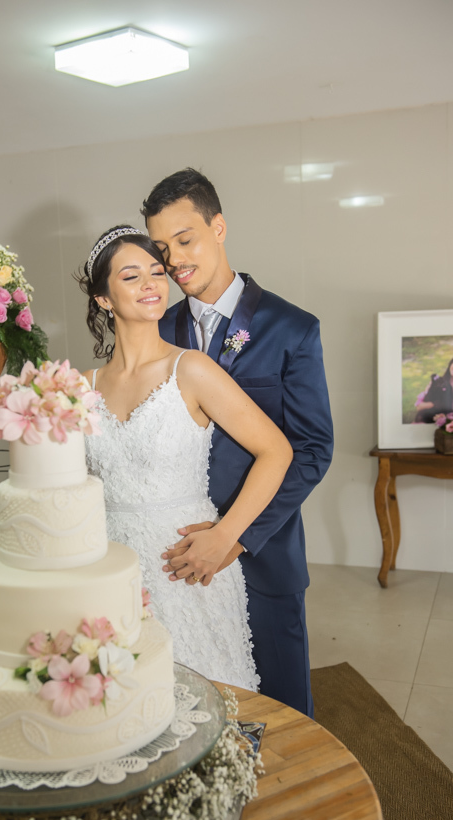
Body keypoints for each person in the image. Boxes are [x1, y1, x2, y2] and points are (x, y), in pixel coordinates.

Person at [142, 168, 334, 717]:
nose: (175, 260)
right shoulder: (159, 331)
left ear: (219, 227)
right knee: (195, 704)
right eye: (162, 248)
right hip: (177, 553)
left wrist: (234, 537)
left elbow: (313, 449)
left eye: (186, 240)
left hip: (263, 551)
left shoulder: (291, 328)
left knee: (283, 709)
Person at [80, 226, 293, 691]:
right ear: (104, 299)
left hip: (187, 566)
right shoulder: (81, 387)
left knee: (204, 703)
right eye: (132, 276)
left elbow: (276, 450)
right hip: (110, 573)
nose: (152, 284)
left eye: (157, 272)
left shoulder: (191, 369)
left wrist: (226, 535)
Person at [413, 356, 453, 423]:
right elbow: (419, 407)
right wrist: (435, 404)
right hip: (429, 420)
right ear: (451, 364)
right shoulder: (437, 382)